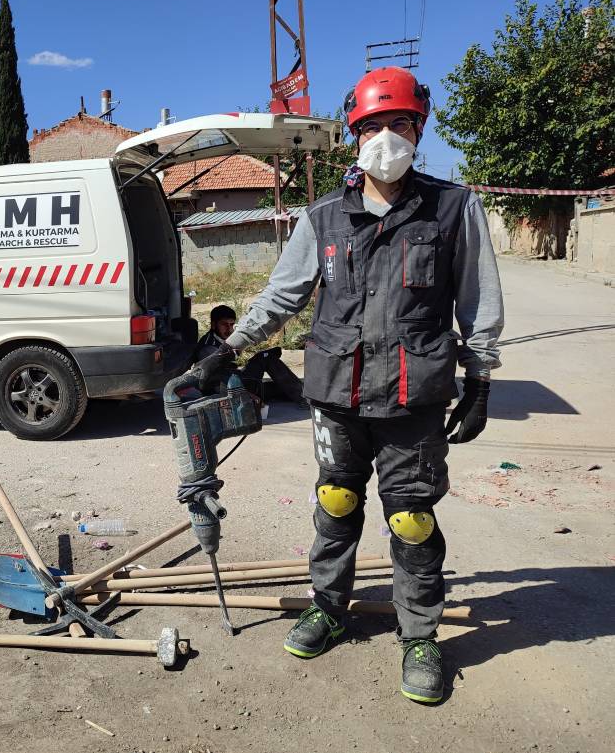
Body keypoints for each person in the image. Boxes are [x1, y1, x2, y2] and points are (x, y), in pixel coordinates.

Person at [193, 67, 504, 703]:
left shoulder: (452, 207)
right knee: (335, 505)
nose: (386, 138)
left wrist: (480, 379)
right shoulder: (324, 218)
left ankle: (419, 635)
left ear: (418, 130)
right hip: (336, 394)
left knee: (412, 519)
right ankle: (329, 608)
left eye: (399, 125)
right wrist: (229, 350)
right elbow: (283, 295)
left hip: (413, 398)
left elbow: (477, 298)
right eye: (373, 127)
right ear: (354, 137)